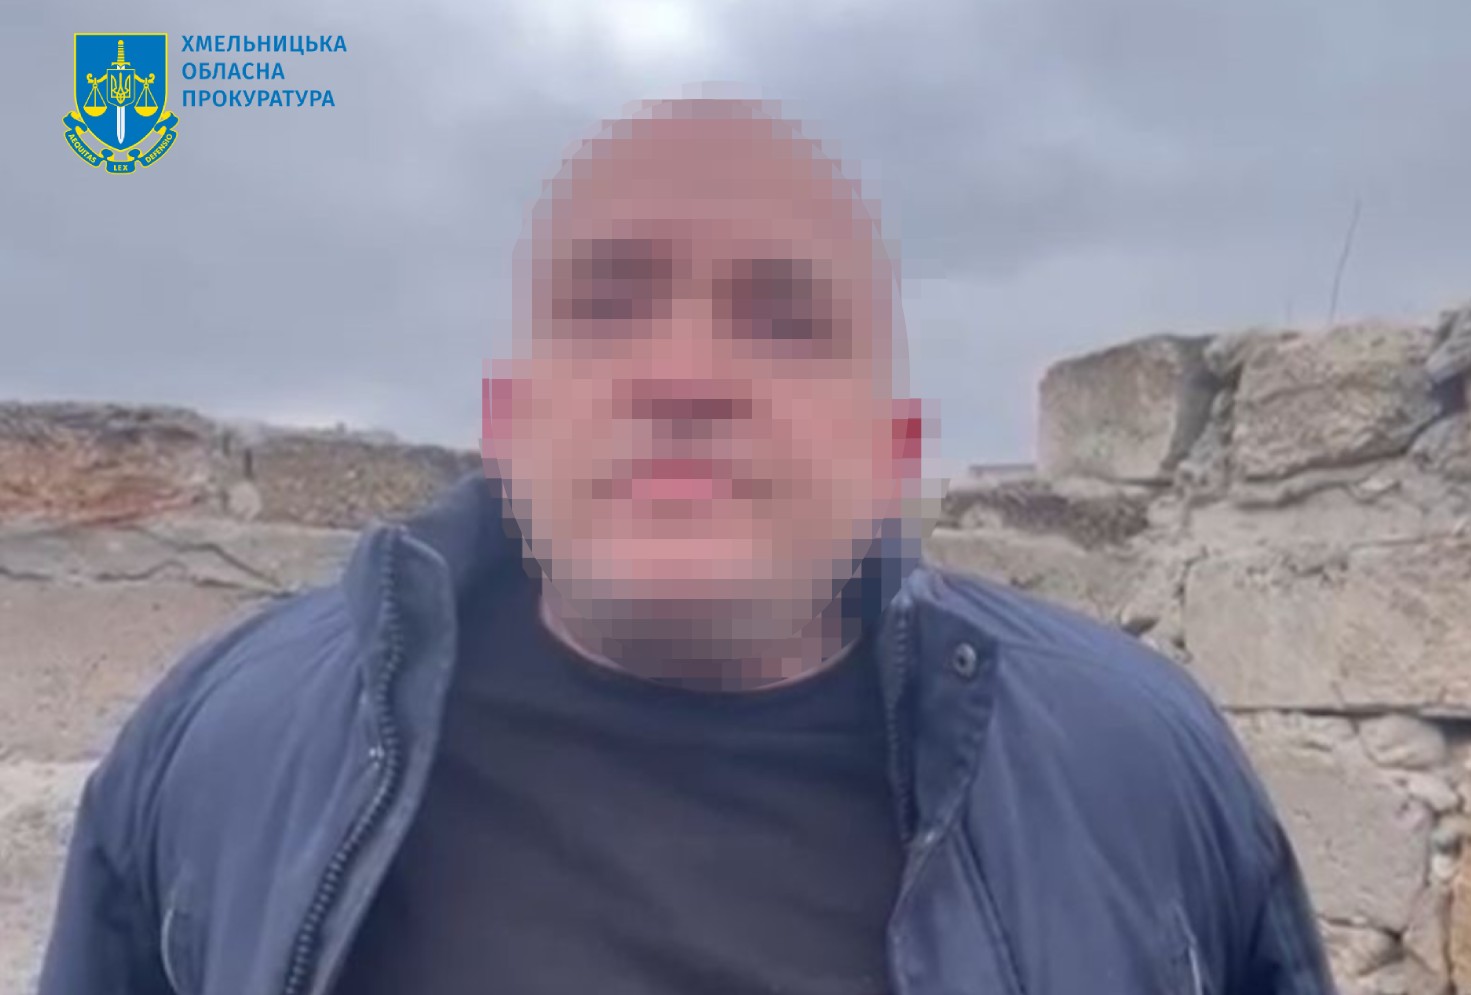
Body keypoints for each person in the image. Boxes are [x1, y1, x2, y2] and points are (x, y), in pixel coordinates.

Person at [39, 95, 1336, 995]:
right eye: (606, 309)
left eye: (785, 320)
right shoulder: (227, 743)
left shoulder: (1135, 763)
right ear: (506, 423)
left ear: (893, 451)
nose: (685, 376)